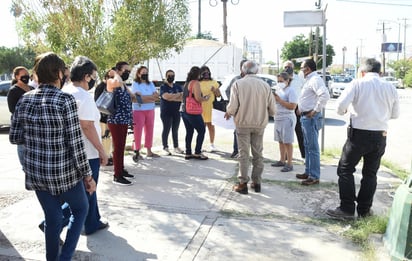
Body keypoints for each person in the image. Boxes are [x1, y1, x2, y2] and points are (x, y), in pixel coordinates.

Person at [9, 52, 96, 261]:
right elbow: (75, 144)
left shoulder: (24, 100)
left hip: (37, 174)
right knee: (81, 208)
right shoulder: (65, 100)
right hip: (64, 174)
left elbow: (14, 138)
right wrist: (88, 176)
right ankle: (64, 257)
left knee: (53, 218)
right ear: (59, 73)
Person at [326, 58, 400, 219]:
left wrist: (347, 110)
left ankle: (346, 209)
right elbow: (395, 114)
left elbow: (340, 107)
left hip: (358, 134)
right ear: (380, 73)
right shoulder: (390, 87)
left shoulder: (357, 83)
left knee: (345, 170)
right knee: (370, 173)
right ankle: (364, 211)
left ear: (363, 72)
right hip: (380, 135)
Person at [62, 56, 109, 234]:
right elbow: (88, 127)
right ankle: (54, 221)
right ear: (87, 76)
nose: (94, 79)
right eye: (94, 76)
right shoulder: (84, 97)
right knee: (86, 190)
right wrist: (102, 151)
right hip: (87, 153)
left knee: (85, 190)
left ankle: (92, 221)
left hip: (69, 151)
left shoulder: (65, 91)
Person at [225, 60, 276, 194]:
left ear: (243, 71)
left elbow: (233, 105)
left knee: (244, 154)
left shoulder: (238, 84)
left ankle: (242, 183)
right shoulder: (265, 85)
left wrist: (229, 112)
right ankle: (257, 182)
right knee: (258, 153)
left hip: (243, 123)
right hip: (260, 123)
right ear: (257, 71)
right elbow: (272, 109)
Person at [295, 59, 330, 185]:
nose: (300, 70)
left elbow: (324, 95)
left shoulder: (315, 80)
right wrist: (300, 108)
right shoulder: (309, 80)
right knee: (307, 146)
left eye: (302, 67)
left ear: (308, 69)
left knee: (313, 148)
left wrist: (314, 111)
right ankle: (308, 171)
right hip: (305, 117)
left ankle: (314, 176)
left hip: (311, 118)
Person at [107, 61, 134, 185]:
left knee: (121, 147)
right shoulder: (112, 81)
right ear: (118, 70)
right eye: (125, 71)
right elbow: (116, 82)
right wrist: (115, 74)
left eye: (129, 71)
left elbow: (132, 95)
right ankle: (117, 175)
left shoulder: (122, 84)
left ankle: (121, 170)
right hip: (116, 120)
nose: (128, 73)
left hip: (123, 119)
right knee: (117, 148)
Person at [7, 66, 34, 166]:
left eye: (27, 75)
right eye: (23, 75)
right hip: (22, 130)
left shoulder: (32, 88)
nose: (26, 77)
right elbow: (13, 110)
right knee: (26, 165)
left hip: (33, 130)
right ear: (16, 76)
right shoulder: (13, 91)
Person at [181, 66, 210, 160]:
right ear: (198, 74)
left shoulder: (187, 83)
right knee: (201, 131)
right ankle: (197, 152)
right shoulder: (196, 83)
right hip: (193, 111)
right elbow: (198, 98)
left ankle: (188, 152)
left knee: (189, 132)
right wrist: (205, 99)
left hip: (184, 110)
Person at [131, 65, 160, 160]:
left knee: (149, 130)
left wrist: (145, 98)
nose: (145, 74)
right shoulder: (135, 83)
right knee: (138, 130)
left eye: (146, 73)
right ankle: (137, 151)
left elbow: (156, 97)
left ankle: (149, 151)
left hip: (150, 109)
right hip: (139, 110)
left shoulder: (150, 84)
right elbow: (137, 99)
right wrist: (150, 98)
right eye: (143, 73)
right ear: (139, 74)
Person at [271, 72, 298, 172]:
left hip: (287, 118)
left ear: (287, 81)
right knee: (280, 141)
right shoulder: (279, 90)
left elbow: (293, 106)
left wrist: (279, 100)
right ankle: (282, 160)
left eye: (281, 81)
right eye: (278, 81)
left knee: (287, 141)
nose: (279, 83)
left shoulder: (291, 91)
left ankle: (289, 163)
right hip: (278, 118)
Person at [225, 59, 248, 158]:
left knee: (248, 131)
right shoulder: (236, 79)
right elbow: (227, 91)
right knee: (237, 131)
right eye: (244, 66)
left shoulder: (252, 80)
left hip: (249, 109)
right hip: (238, 110)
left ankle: (245, 152)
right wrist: (232, 103)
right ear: (240, 68)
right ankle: (236, 150)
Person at [283, 60, 305, 159]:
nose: (288, 69)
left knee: (300, 133)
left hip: (296, 108)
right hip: (285, 108)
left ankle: (304, 155)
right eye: (286, 67)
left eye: (290, 67)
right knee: (286, 134)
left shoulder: (299, 79)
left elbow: (302, 94)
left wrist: (300, 107)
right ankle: (286, 156)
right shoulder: (281, 79)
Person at [159, 69, 184, 155]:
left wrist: (172, 97)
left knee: (175, 130)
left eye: (172, 75)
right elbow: (166, 97)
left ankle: (176, 147)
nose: (171, 77)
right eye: (169, 75)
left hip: (176, 111)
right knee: (166, 129)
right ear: (166, 77)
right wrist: (177, 96)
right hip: (166, 112)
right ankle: (165, 147)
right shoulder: (163, 86)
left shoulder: (177, 86)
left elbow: (182, 98)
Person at [94, 70, 114, 166]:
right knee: (104, 137)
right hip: (102, 117)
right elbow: (97, 102)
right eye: (109, 77)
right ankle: (104, 157)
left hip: (109, 116)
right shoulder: (101, 86)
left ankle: (108, 155)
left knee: (108, 138)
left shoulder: (112, 87)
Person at [199, 66, 221, 152]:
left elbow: (218, 95)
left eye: (207, 72)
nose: (206, 74)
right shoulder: (198, 83)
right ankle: (199, 145)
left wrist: (214, 90)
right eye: (204, 72)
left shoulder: (214, 82)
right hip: (200, 108)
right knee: (201, 128)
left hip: (211, 107)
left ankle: (212, 144)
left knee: (211, 127)